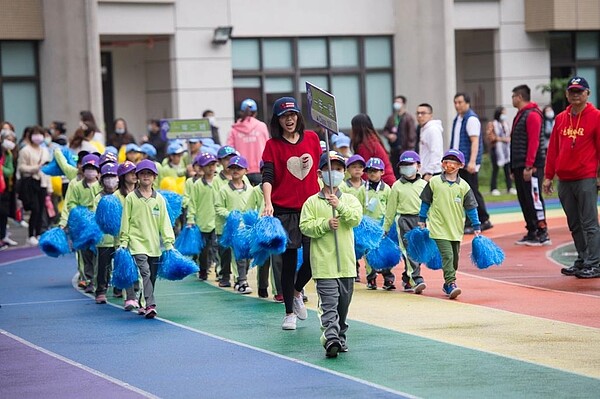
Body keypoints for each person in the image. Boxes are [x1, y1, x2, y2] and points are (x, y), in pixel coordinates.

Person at [261, 96, 322, 331]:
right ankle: (288, 312)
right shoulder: (272, 145)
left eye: (293, 115)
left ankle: (297, 291)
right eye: (285, 116)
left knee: (311, 260)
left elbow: (321, 169)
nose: (290, 119)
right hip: (284, 210)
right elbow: (267, 177)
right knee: (287, 262)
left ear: (299, 116)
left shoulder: (313, 139)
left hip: (312, 208)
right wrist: (268, 203)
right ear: (278, 120)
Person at [299, 151, 362, 357]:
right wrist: (325, 224)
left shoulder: (350, 200)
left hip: (346, 264)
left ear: (343, 173)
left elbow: (355, 219)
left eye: (337, 169)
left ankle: (340, 336)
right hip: (324, 264)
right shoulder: (311, 202)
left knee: (343, 306)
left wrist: (339, 206)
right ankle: (330, 338)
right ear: (319, 173)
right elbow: (305, 226)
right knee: (329, 305)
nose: (333, 172)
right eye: (328, 168)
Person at [543, 76, 600, 279]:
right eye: (572, 91)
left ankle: (594, 262)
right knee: (574, 223)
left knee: (589, 222)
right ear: (567, 94)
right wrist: (548, 176)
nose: (575, 95)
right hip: (564, 179)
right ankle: (583, 258)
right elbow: (553, 150)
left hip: (585, 177)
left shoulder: (596, 116)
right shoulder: (560, 118)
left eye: (579, 91)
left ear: (587, 94)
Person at [419, 149, 481, 299]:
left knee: (454, 258)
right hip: (438, 227)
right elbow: (425, 202)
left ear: (460, 165)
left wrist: (476, 225)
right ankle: (451, 283)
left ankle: (447, 283)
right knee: (447, 255)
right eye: (447, 161)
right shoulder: (434, 182)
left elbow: (471, 208)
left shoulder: (464, 187)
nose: (449, 164)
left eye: (454, 162)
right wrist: (422, 219)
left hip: (455, 229)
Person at [119, 159, 175, 318]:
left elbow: (164, 222)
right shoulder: (131, 198)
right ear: (137, 176)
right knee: (145, 273)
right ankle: (151, 304)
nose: (146, 176)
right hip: (137, 244)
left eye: (149, 173)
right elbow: (126, 221)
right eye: (142, 173)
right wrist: (124, 242)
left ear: (154, 177)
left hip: (154, 245)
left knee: (152, 276)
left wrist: (169, 243)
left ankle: (143, 303)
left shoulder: (159, 199)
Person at [510, 85, 550, 246]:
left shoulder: (532, 115)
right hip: (519, 164)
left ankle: (542, 231)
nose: (512, 99)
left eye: (513, 96)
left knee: (534, 199)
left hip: (531, 166)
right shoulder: (520, 115)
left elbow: (534, 142)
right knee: (524, 199)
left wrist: (529, 166)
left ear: (519, 97)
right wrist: (513, 168)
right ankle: (532, 230)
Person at [383, 151, 428, 294]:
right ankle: (416, 278)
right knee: (409, 251)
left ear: (418, 166)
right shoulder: (396, 186)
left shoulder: (424, 185)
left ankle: (407, 278)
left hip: (420, 221)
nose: (407, 167)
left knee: (419, 251)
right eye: (404, 165)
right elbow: (390, 209)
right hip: (403, 221)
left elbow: (430, 205)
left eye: (410, 164)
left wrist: (429, 221)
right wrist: (386, 227)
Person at [450, 93, 492, 233]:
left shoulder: (471, 119)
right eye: (455, 102)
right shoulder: (458, 119)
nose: (457, 105)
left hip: (468, 163)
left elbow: (475, 141)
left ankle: (481, 219)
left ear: (467, 103)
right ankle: (475, 219)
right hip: (459, 163)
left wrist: (472, 161)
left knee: (471, 192)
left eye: (460, 102)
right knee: (465, 192)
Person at [215, 155, 253, 293]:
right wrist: (231, 215)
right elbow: (218, 207)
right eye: (233, 168)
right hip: (231, 227)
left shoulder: (250, 189)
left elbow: (253, 206)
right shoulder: (224, 189)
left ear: (245, 171)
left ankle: (241, 278)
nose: (235, 171)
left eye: (239, 168)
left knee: (246, 256)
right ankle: (241, 280)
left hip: (246, 227)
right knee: (237, 255)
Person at [362, 157, 394, 290]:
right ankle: (371, 277)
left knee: (384, 251)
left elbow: (390, 207)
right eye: (369, 171)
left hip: (382, 225)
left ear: (382, 172)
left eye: (375, 171)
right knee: (368, 252)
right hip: (367, 226)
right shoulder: (362, 189)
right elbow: (358, 206)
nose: (372, 174)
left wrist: (388, 224)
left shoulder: (386, 189)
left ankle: (388, 278)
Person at [187, 152, 219, 281]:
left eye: (213, 164)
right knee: (204, 250)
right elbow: (192, 203)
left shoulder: (220, 182)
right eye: (207, 165)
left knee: (218, 248)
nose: (211, 168)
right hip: (203, 222)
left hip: (217, 221)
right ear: (201, 167)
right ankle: (203, 270)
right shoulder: (197, 185)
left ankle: (220, 271)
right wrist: (191, 218)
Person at [17, 126, 52, 245]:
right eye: (35, 134)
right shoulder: (25, 150)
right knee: (35, 208)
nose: (38, 137)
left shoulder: (45, 150)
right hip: (31, 182)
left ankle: (38, 233)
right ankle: (31, 234)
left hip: (42, 182)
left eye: (40, 134)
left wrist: (49, 186)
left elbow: (48, 169)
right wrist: (35, 168)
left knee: (41, 208)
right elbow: (21, 167)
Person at [114, 160, 142, 310]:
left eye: (134, 172)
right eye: (130, 173)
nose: (133, 175)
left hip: (141, 235)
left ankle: (137, 293)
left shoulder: (142, 192)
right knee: (127, 266)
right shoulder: (116, 196)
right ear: (122, 176)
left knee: (141, 267)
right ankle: (130, 297)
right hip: (123, 237)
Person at [93, 162, 120, 304]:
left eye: (113, 176)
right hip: (104, 239)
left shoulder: (120, 195)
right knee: (103, 266)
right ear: (102, 179)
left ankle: (118, 287)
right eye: (107, 177)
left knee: (120, 264)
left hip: (119, 239)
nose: (110, 180)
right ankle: (101, 290)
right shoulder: (98, 197)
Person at [227, 99, 270, 186]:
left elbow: (229, 151)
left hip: (241, 169)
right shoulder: (262, 126)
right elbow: (268, 147)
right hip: (260, 169)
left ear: (241, 112)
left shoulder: (234, 129)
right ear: (256, 113)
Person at [339, 154, 366, 282]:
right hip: (348, 220)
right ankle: (353, 269)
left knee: (364, 247)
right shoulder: (343, 186)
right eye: (354, 167)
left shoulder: (366, 186)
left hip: (363, 221)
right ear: (348, 169)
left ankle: (369, 273)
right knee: (351, 246)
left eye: (360, 167)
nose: (357, 170)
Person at [350, 114, 396, 186]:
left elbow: (364, 171)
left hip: (382, 182)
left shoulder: (365, 146)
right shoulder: (373, 140)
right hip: (387, 180)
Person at [382, 95, 417, 179]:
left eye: (399, 102)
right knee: (395, 171)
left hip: (404, 149)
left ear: (403, 104)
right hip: (394, 150)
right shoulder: (392, 118)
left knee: (404, 171)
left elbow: (412, 135)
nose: (396, 104)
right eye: (395, 102)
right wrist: (389, 135)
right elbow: (385, 131)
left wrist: (409, 149)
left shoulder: (408, 118)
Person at [487, 107, 515, 196]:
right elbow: (490, 137)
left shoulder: (505, 124)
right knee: (495, 169)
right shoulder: (492, 124)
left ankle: (509, 187)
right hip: (496, 149)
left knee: (507, 169)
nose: (504, 115)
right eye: (503, 113)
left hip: (506, 150)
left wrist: (508, 139)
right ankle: (493, 188)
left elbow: (510, 134)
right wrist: (502, 139)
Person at [416, 103, 443, 181]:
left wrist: (429, 172)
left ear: (431, 115)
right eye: (418, 113)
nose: (420, 116)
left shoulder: (433, 130)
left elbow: (436, 152)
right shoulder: (424, 128)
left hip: (432, 173)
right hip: (424, 171)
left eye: (423, 113)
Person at [0, 128, 17, 249]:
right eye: (7, 139)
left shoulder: (9, 154)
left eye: (12, 140)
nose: (10, 142)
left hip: (5, 188)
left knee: (3, 213)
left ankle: (2, 237)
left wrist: (1, 168)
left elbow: (10, 171)